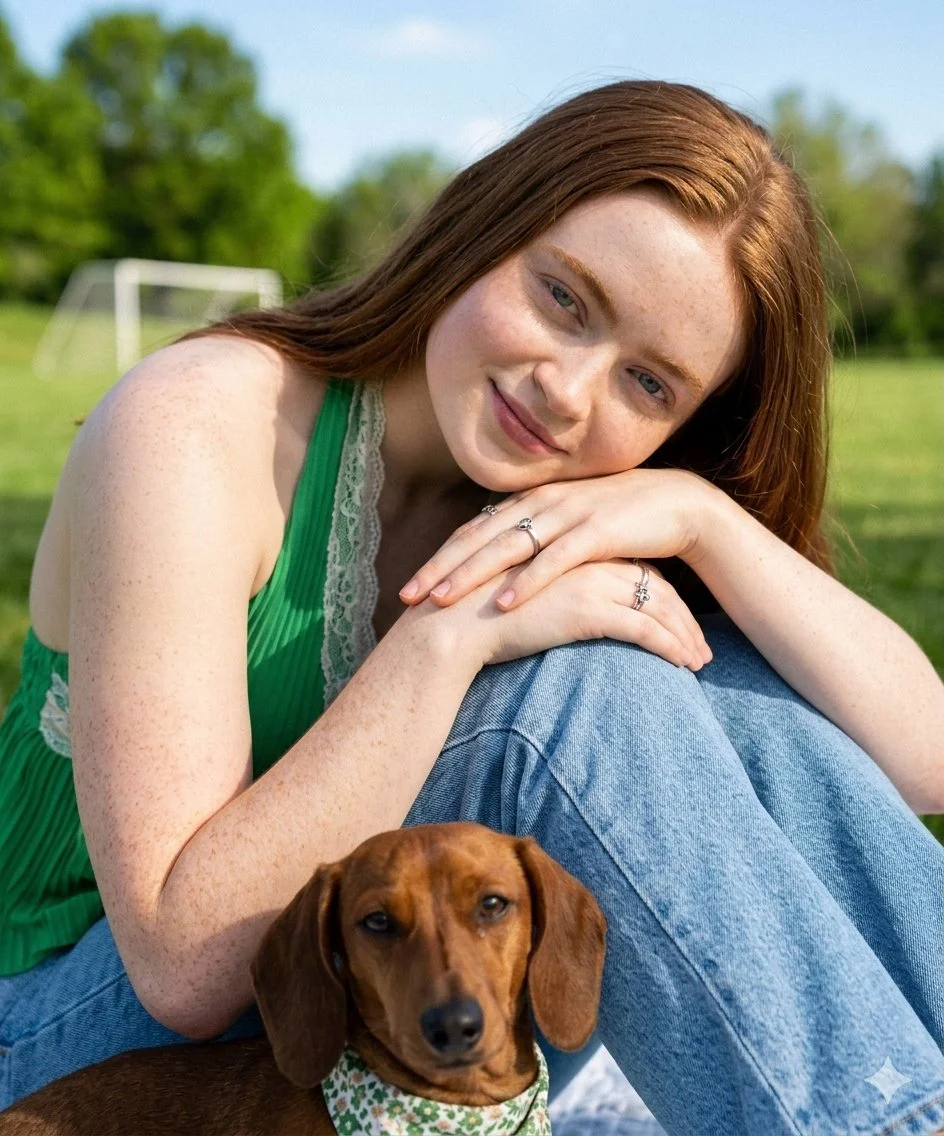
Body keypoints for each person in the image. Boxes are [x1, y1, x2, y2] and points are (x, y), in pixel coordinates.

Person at [0, 79, 942, 1136]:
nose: (568, 389)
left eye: (648, 383)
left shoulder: (571, 496)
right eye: (564, 299)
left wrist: (698, 518)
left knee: (709, 681)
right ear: (482, 223)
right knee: (560, 692)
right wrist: (451, 634)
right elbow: (182, 961)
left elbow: (922, 755)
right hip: (66, 1044)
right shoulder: (200, 425)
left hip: (411, 1007)